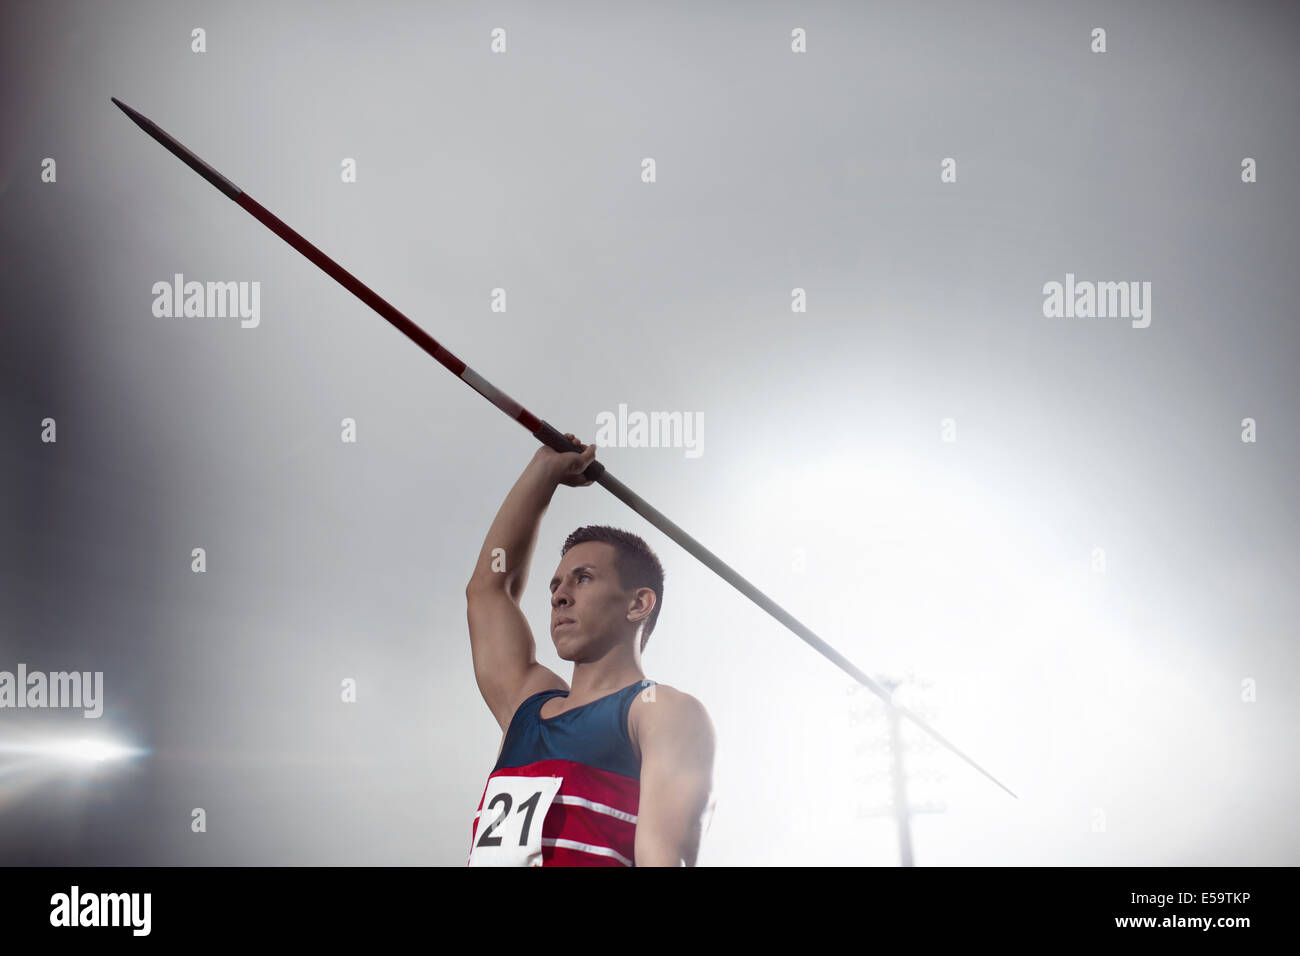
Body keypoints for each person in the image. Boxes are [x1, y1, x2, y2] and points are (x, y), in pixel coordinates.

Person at [464, 434, 715, 866]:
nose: (559, 596)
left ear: (638, 603)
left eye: (583, 578)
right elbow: (488, 590)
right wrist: (542, 474)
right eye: (555, 585)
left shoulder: (659, 713)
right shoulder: (527, 706)